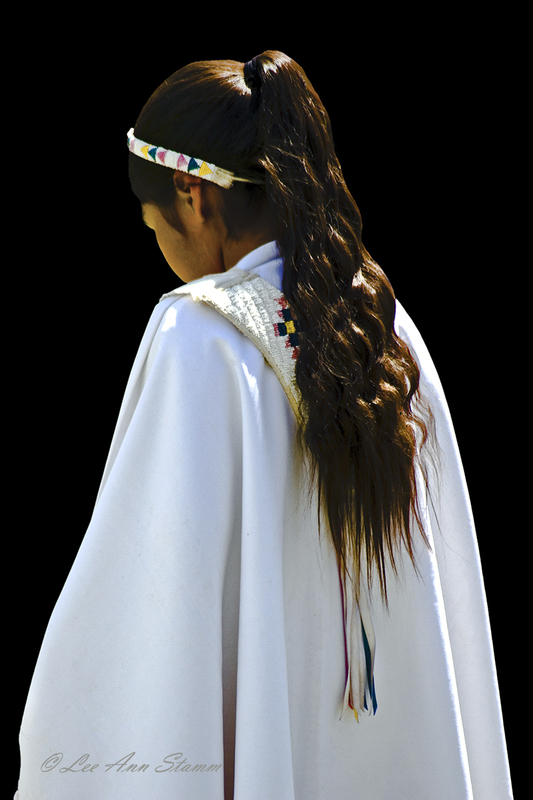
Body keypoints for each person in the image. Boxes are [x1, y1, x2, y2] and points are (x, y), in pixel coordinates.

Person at [15, 51, 512, 799]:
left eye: (155, 226)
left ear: (192, 195)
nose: (169, 256)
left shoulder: (199, 336)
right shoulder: (385, 333)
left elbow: (143, 609)